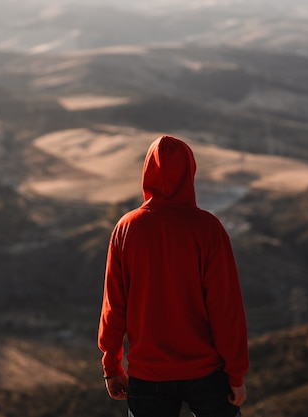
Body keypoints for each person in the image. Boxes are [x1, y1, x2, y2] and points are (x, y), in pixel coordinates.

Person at [98, 135, 249, 417]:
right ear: (190, 171)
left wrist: (112, 367)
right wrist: (236, 374)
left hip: (147, 374)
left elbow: (114, 306)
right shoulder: (209, 230)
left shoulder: (126, 228)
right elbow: (226, 310)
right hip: (207, 373)